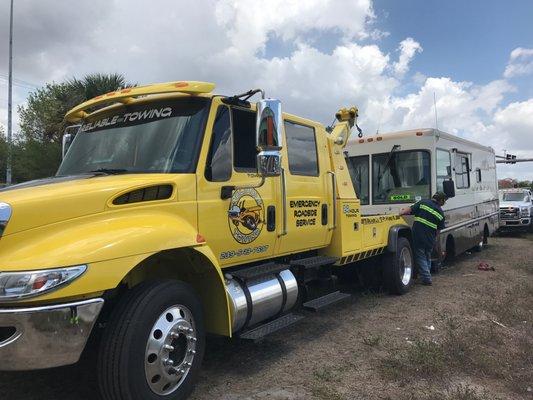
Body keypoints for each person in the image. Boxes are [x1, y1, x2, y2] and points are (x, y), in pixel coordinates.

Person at [399, 192, 447, 285]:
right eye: (444, 201)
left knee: (420, 256)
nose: (444, 203)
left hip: (418, 235)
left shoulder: (423, 203)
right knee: (427, 256)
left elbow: (409, 209)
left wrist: (400, 213)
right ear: (440, 200)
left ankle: (427, 278)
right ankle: (426, 275)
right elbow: (438, 231)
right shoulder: (441, 213)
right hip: (430, 238)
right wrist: (435, 241)